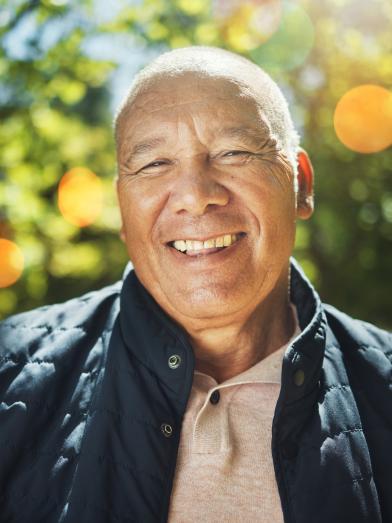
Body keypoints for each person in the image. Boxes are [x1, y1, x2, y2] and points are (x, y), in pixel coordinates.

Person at [0, 46, 391, 523]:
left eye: (235, 152)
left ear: (301, 185)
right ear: (122, 208)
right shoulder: (10, 373)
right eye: (154, 164)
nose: (195, 197)